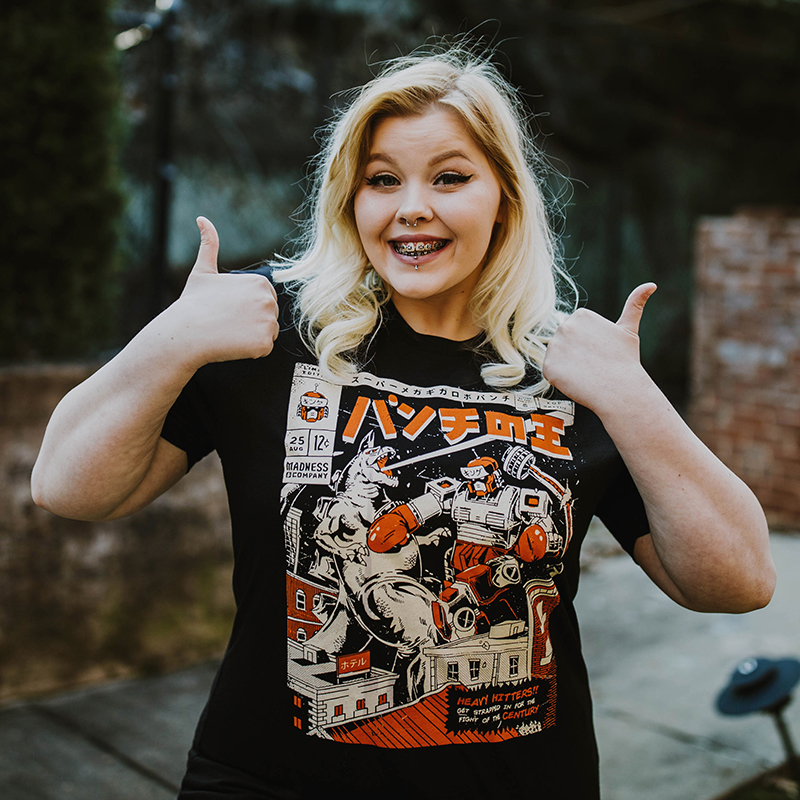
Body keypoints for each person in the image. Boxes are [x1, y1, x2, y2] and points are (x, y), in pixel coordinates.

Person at [32, 44, 775, 799]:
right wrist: (171, 338)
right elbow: (67, 487)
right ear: (351, 198)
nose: (410, 206)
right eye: (382, 180)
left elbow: (741, 582)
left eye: (449, 177)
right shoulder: (273, 331)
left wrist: (634, 397)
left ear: (506, 198)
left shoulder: (577, 369)